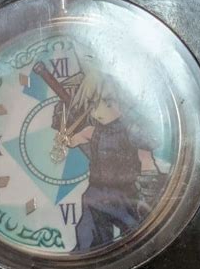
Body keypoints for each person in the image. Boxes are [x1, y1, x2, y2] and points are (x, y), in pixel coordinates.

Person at [65, 70, 160, 252]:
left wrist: (149, 187)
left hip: (125, 194)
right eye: (92, 105)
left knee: (138, 232)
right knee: (88, 233)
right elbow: (76, 139)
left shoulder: (131, 131)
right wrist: (66, 140)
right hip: (95, 194)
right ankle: (87, 255)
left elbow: (145, 158)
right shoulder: (93, 130)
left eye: (108, 103)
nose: (99, 112)